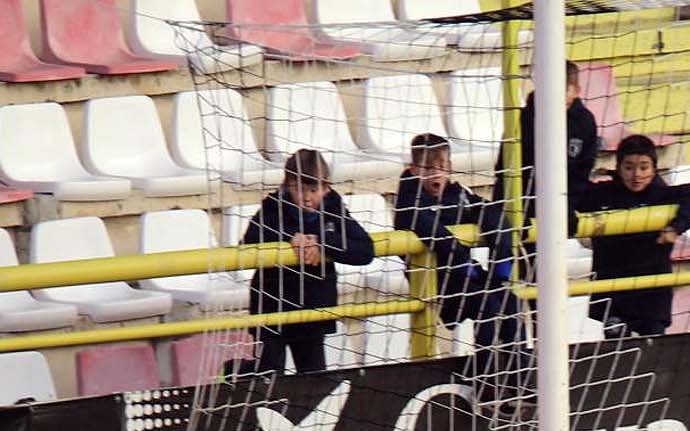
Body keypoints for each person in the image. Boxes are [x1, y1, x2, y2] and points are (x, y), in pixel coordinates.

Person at [393, 133, 525, 408]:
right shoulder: (408, 200)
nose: (435, 174)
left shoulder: (458, 194)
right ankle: (485, 387)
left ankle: (518, 384)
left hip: (467, 276)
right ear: (414, 169)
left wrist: (500, 267)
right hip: (436, 285)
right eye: (428, 168)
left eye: (441, 167)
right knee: (488, 307)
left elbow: (492, 215)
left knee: (511, 302)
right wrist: (462, 261)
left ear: (450, 167)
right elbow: (426, 226)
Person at [239, 149, 375, 375]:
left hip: (312, 310)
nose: (307, 197)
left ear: (326, 188)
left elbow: (365, 251)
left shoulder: (334, 209)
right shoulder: (272, 207)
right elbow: (248, 243)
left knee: (313, 377)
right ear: (287, 185)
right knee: (268, 376)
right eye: (300, 189)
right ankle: (236, 370)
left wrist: (324, 242)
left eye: (314, 190)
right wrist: (290, 237)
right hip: (273, 308)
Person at [572, 135, 690, 338]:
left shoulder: (663, 195)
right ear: (618, 168)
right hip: (613, 293)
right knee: (617, 352)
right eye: (629, 167)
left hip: (652, 294)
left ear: (654, 168)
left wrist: (675, 228)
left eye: (644, 167)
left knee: (653, 351)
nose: (636, 175)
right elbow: (570, 195)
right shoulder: (601, 194)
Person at [517, 59, 599, 209]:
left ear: (576, 91)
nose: (555, 96)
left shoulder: (585, 122)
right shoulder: (524, 119)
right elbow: (507, 168)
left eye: (563, 89)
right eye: (550, 89)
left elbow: (584, 167)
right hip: (527, 200)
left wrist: (568, 204)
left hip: (570, 199)